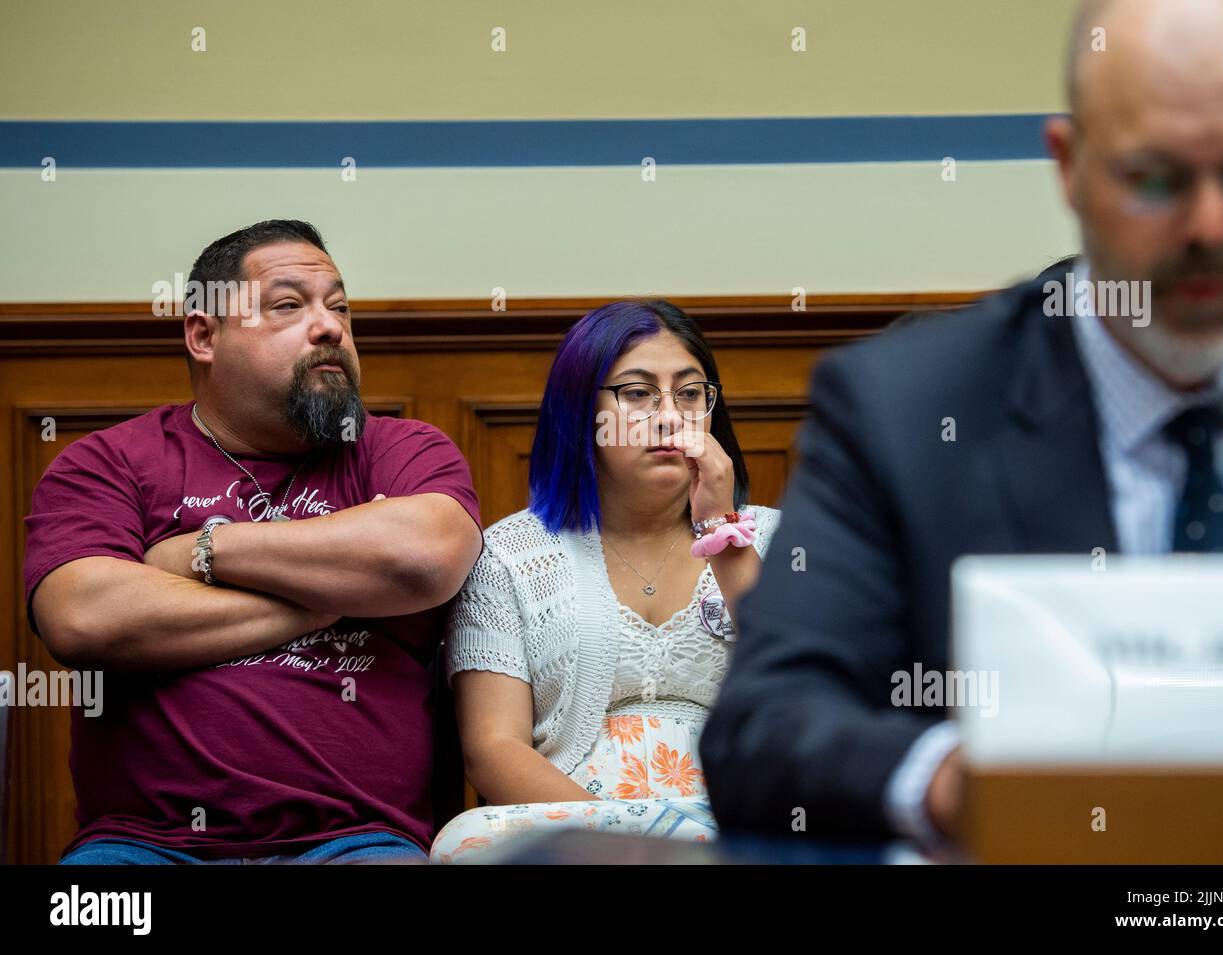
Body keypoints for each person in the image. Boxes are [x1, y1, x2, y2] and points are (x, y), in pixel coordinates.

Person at [701, 0, 1223, 847]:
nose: (1211, 226)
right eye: (1156, 178)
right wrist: (966, 782)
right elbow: (763, 727)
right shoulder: (908, 409)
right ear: (1070, 167)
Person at [23, 219, 483, 864]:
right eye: (289, 305)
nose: (329, 327)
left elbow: (426, 556)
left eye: (340, 307)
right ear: (204, 335)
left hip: (357, 842)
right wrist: (334, 597)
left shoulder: (402, 450)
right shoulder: (108, 463)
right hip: (143, 845)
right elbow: (82, 617)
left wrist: (202, 551)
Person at [431, 299, 780, 862]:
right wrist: (617, 845)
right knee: (463, 840)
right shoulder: (509, 556)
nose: (670, 416)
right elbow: (492, 748)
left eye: (690, 393)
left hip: (743, 818)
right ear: (581, 412)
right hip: (574, 834)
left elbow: (806, 686)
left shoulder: (772, 539)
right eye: (638, 393)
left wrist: (722, 529)